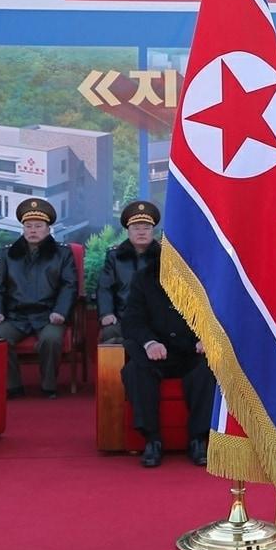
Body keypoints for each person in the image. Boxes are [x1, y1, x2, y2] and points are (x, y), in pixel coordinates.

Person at [119, 217, 215, 468]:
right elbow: (132, 320)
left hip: (190, 351)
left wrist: (205, 337)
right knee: (134, 370)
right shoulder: (144, 278)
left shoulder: (200, 278)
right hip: (156, 353)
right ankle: (152, 440)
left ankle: (198, 439)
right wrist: (149, 342)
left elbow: (213, 314)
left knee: (210, 369)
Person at [0, 198, 77, 400]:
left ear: (48, 228)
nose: (33, 230)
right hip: (16, 316)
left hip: (48, 314)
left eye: (38, 226)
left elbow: (69, 285)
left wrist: (60, 312)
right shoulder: (9, 254)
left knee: (51, 339)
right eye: (28, 226)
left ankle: (48, 386)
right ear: (23, 229)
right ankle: (13, 386)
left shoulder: (62, 253)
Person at [96, 200, 159, 343]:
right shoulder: (114, 256)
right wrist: (106, 313)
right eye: (136, 228)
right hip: (123, 318)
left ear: (152, 231)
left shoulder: (164, 257)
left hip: (155, 320)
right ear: (128, 231)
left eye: (146, 228)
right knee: (110, 333)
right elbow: (104, 288)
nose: (141, 232)